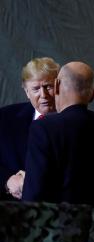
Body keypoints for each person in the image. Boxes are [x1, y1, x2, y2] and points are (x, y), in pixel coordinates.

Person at [22, 61, 94, 222]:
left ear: (56, 85)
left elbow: (34, 194)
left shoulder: (43, 128)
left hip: (55, 234)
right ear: (93, 94)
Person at [1, 57, 59, 200]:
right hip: (10, 210)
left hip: (60, 211)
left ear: (59, 86)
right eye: (35, 89)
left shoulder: (77, 121)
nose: (43, 95)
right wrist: (8, 180)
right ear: (26, 91)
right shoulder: (4, 118)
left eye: (48, 86)